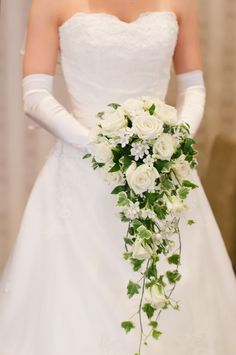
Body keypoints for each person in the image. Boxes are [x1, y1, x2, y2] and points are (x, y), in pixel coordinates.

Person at [0, 0, 236, 354]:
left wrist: (171, 138)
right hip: (83, 171)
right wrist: (102, 146)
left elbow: (193, 86)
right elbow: (35, 96)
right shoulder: (50, 3)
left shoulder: (181, 2)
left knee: (172, 289)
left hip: (161, 169)